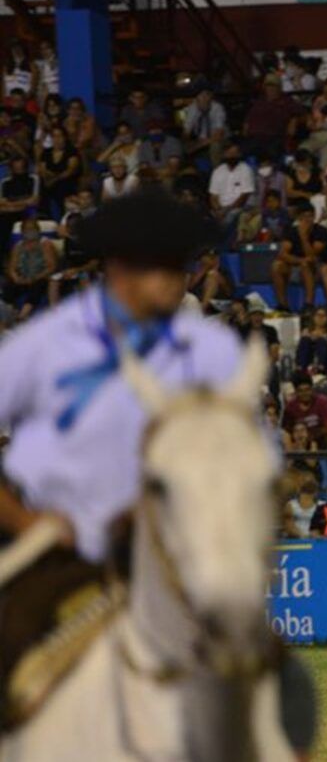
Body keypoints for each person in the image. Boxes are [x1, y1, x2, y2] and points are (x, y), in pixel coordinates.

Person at [0, 194, 264, 680]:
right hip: (60, 554)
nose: (174, 278)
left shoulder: (209, 354)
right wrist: (23, 520)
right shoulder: (43, 347)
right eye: (157, 266)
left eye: (177, 266)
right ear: (118, 271)